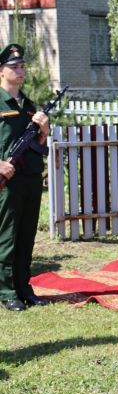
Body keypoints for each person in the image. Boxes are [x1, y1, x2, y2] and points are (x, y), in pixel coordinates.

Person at [0, 44, 50, 312]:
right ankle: (7, 290)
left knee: (27, 236)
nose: (20, 71)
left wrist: (43, 131)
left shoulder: (29, 106)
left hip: (31, 179)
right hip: (7, 182)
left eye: (22, 67)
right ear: (1, 71)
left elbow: (41, 147)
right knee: (7, 236)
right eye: (14, 67)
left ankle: (24, 288)